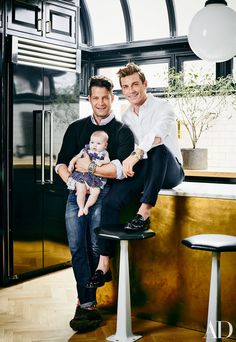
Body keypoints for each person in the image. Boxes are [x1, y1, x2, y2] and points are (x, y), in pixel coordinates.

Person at [86, 62, 185, 289]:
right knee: (112, 200)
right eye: (126, 86)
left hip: (170, 169)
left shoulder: (163, 107)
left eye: (135, 84)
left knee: (158, 149)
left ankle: (144, 212)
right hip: (145, 170)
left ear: (145, 84)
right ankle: (104, 265)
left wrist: (136, 154)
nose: (131, 90)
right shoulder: (126, 115)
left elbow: (157, 136)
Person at [56, 75, 134, 332]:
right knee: (77, 246)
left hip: (106, 194)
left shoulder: (122, 131)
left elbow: (119, 170)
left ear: (113, 98)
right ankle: (87, 304)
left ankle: (94, 287)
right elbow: (61, 163)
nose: (100, 103)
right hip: (75, 191)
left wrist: (88, 167)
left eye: (105, 97)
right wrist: (71, 180)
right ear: (89, 99)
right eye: (95, 97)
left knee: (93, 242)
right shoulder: (76, 128)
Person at [67, 130, 110, 217]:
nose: (94, 145)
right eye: (92, 142)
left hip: (95, 177)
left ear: (105, 145)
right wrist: (71, 164)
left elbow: (107, 160)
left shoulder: (104, 153)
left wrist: (102, 162)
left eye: (98, 143)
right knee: (80, 191)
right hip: (81, 175)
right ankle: (81, 207)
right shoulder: (85, 150)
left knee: (96, 192)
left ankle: (86, 206)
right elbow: (76, 158)